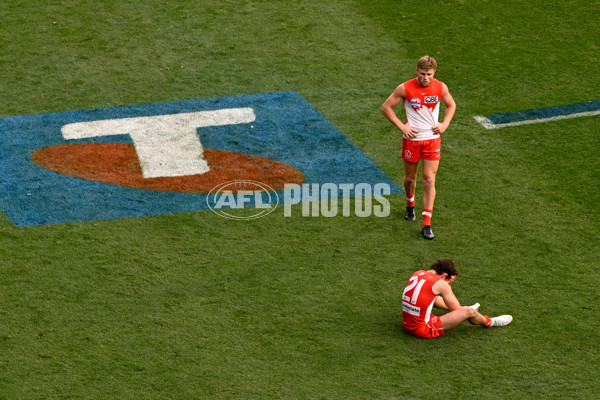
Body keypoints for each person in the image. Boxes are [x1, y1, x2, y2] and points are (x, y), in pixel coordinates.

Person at [381, 55, 456, 240]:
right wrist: (403, 127)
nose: (425, 78)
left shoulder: (441, 87)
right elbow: (386, 107)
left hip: (432, 140)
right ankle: (410, 203)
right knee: (409, 178)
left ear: (434, 73)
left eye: (429, 74)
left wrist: (445, 124)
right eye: (422, 74)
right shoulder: (405, 88)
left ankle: (427, 223)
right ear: (417, 71)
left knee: (429, 180)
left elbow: (451, 105)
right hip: (412, 141)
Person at [401, 258, 512, 339]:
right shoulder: (441, 283)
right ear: (445, 275)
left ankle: (469, 309)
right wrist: (447, 286)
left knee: (433, 299)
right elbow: (455, 308)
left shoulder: (418, 273)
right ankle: (490, 322)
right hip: (422, 329)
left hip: (407, 324)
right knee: (468, 312)